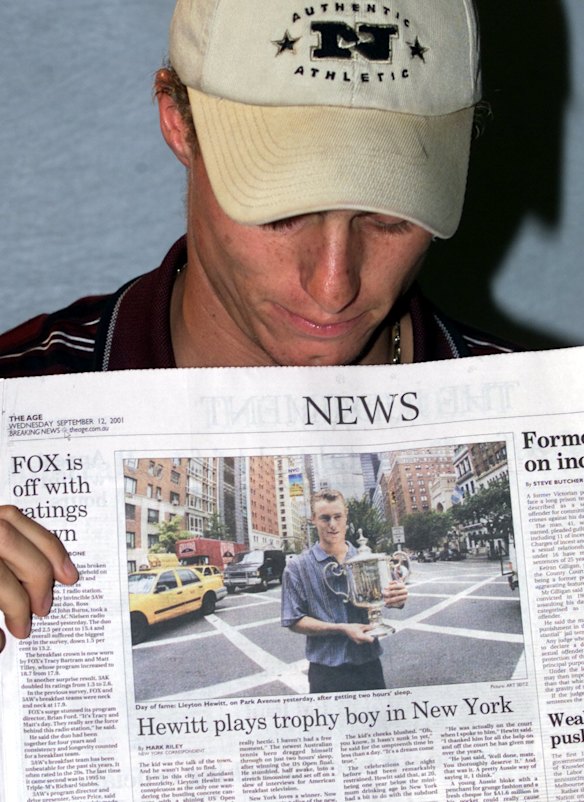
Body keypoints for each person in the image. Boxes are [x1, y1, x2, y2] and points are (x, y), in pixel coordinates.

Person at [0, 0, 514, 653]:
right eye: (281, 210)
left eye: (389, 216)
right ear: (178, 121)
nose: (333, 285)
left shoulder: (555, 408)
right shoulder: (18, 388)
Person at [281, 489, 407, 693]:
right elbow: (294, 620)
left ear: (346, 516)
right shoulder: (297, 567)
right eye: (325, 518)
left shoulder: (368, 558)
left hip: (369, 665)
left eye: (338, 516)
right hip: (325, 672)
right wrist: (341, 628)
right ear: (313, 519)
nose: (332, 524)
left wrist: (398, 598)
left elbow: (392, 596)